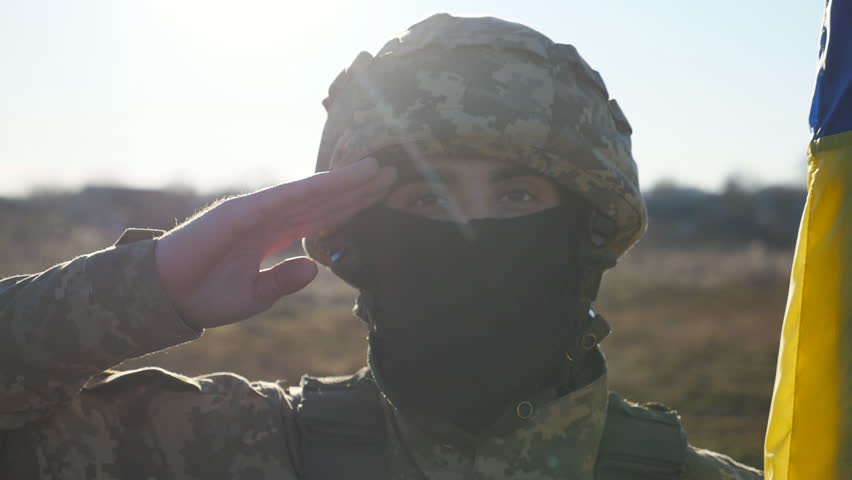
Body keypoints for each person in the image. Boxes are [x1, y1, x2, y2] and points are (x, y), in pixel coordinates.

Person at [0, 14, 763, 479]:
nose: (471, 235)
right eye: (427, 199)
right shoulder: (212, 451)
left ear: (587, 234)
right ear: (359, 239)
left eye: (519, 196)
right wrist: (144, 288)